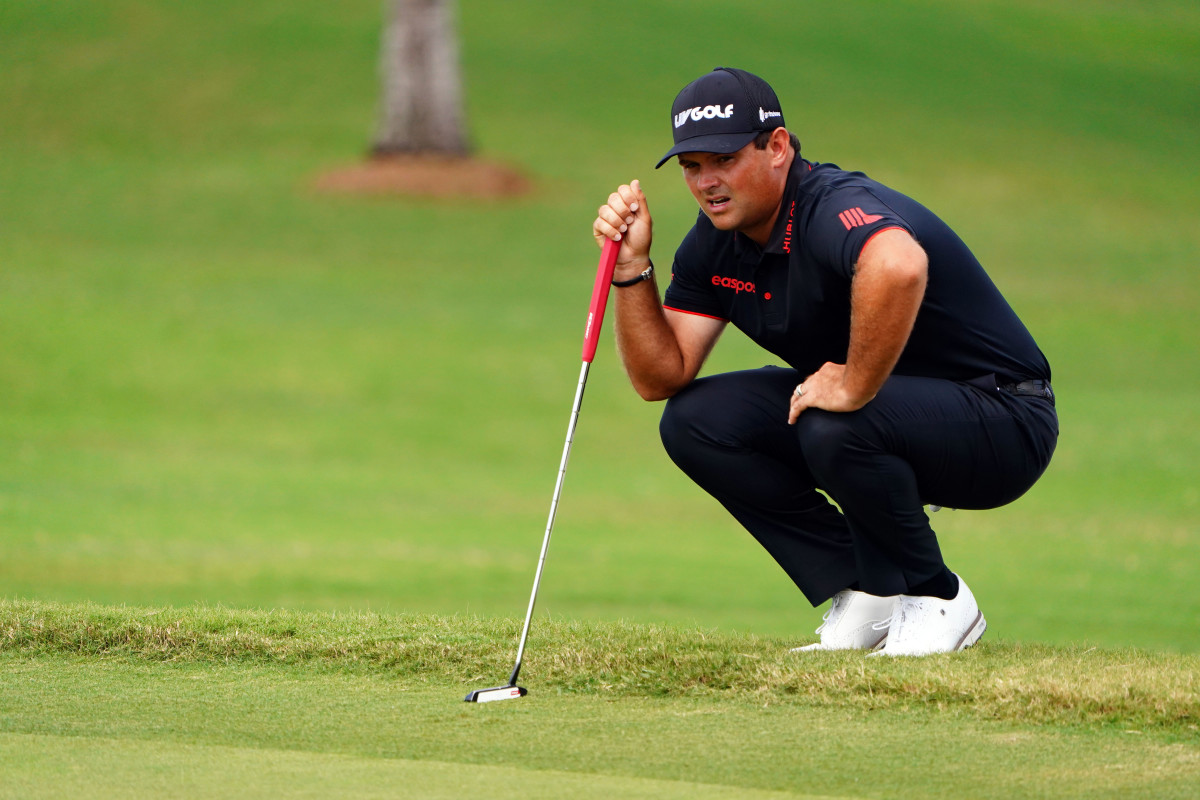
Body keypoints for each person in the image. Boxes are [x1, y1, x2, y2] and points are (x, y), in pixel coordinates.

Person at [592, 67, 1058, 656]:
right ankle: (867, 588)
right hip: (885, 422)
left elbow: (899, 265)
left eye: (725, 159)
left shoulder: (832, 207)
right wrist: (634, 269)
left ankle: (937, 597)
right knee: (696, 422)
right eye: (692, 167)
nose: (707, 181)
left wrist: (856, 384)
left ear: (778, 147)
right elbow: (661, 377)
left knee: (832, 416)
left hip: (1004, 418)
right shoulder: (716, 241)